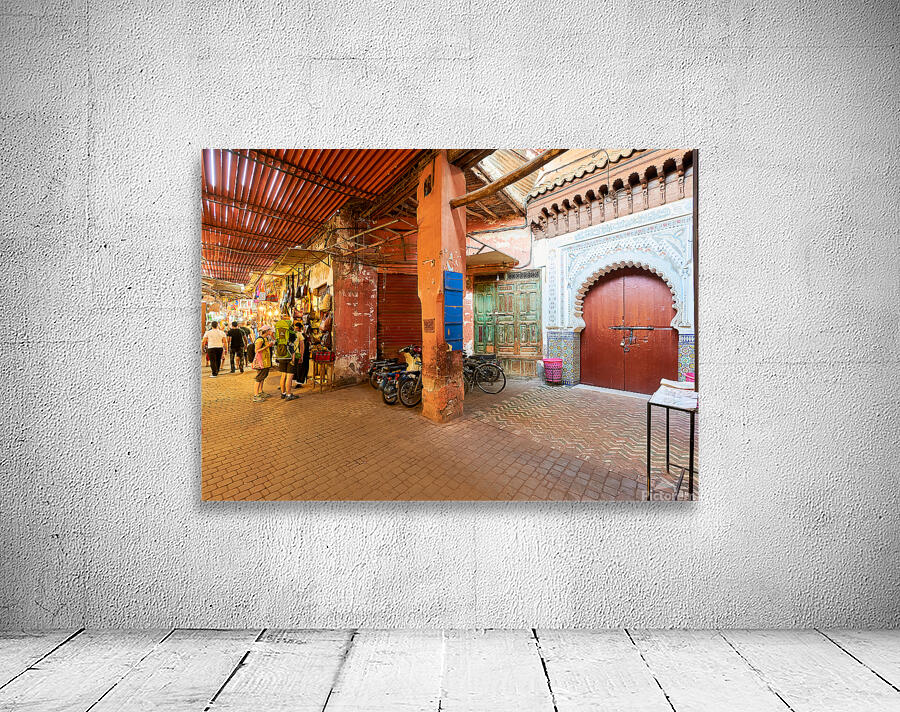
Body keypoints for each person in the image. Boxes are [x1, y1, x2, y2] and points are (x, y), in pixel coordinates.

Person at [274, 312, 297, 400]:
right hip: (289, 356)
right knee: (289, 377)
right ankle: (289, 394)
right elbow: (293, 348)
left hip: (281, 356)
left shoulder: (278, 335)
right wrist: (293, 360)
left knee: (283, 376)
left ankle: (283, 393)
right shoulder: (291, 334)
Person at [252, 325, 274, 401]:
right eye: (269, 331)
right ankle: (256, 395)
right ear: (267, 331)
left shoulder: (265, 338)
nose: (271, 332)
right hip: (261, 362)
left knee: (262, 377)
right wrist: (267, 346)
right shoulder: (260, 340)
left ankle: (260, 392)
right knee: (259, 377)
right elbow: (257, 350)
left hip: (265, 361)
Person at [293, 320, 310, 389]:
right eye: (295, 328)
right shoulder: (295, 335)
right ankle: (298, 382)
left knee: (302, 369)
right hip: (298, 354)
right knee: (297, 369)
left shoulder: (303, 335)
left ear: (300, 328)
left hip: (303, 354)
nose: (295, 330)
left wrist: (301, 355)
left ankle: (300, 382)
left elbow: (304, 346)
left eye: (297, 328)